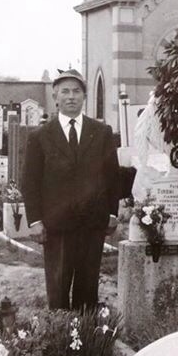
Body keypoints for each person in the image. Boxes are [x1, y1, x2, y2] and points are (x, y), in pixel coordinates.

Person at [22, 69, 120, 310]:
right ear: (55, 97)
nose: (71, 96)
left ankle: (86, 332)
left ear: (84, 96)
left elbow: (112, 177)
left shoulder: (101, 132)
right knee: (58, 290)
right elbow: (30, 181)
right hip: (57, 226)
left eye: (76, 91)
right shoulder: (41, 136)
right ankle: (60, 331)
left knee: (87, 291)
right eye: (65, 91)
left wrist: (112, 213)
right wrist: (35, 220)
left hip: (92, 224)